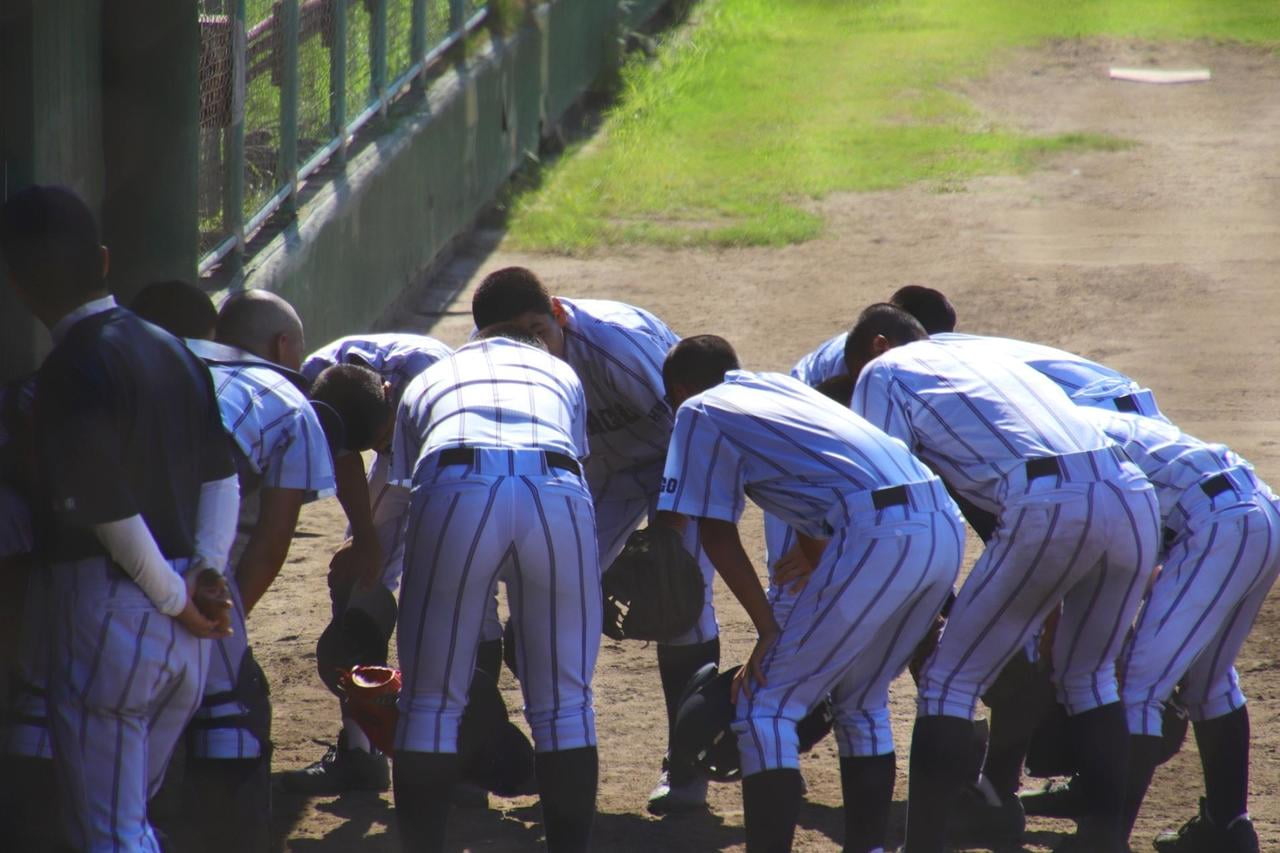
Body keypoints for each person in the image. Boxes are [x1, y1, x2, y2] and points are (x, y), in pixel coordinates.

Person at [845, 304, 1161, 853]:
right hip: (1132, 494)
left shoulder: (883, 370)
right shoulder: (981, 354)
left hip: (1051, 502)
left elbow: (893, 492)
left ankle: (924, 847)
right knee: (1091, 677)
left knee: (948, 682)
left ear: (876, 346)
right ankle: (1104, 843)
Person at [0, 185, 239, 851]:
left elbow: (104, 504)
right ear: (104, 262)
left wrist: (173, 597)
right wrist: (209, 574)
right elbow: (222, 476)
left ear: (17, 286)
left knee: (110, 833)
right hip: (183, 622)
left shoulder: (70, 367)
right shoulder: (171, 347)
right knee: (131, 821)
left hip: (119, 614)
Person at [657, 335, 964, 853]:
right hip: (940, 522)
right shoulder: (780, 388)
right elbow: (810, 500)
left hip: (879, 535)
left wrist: (770, 630)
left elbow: (714, 532)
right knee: (861, 700)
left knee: (765, 707)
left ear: (683, 388)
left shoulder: (699, 408)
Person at [470, 266, 719, 813]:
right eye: (514, 334)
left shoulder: (617, 347)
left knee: (682, 600)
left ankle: (687, 768)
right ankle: (558, 761)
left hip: (669, 457)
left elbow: (692, 428)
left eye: (538, 329)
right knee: (543, 603)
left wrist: (671, 530)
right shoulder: (488, 358)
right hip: (593, 476)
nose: (529, 344)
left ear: (558, 312)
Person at [130, 280, 339, 851]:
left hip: (96, 565)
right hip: (192, 573)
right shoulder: (285, 396)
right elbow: (270, 545)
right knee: (229, 703)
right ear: (283, 347)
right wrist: (220, 618)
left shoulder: (128, 368)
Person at [389, 325, 600, 853]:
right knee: (566, 706)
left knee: (430, 704)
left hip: (456, 482)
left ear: (474, 338)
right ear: (533, 339)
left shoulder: (429, 376)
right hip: (558, 487)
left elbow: (405, 484)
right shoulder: (562, 371)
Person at [1034, 407, 1280, 852]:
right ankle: (1228, 828)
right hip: (1254, 512)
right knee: (1209, 681)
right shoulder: (1082, 415)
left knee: (1137, 689)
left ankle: (1102, 840)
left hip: (1214, 524)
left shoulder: (1048, 434)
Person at [287, 332, 458, 795]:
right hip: (392, 453)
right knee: (359, 579)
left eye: (383, 436)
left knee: (447, 585)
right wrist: (365, 538)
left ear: (388, 395)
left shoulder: (431, 373)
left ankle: (460, 754)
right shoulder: (316, 381)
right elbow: (345, 457)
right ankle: (361, 752)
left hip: (446, 461)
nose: (383, 444)